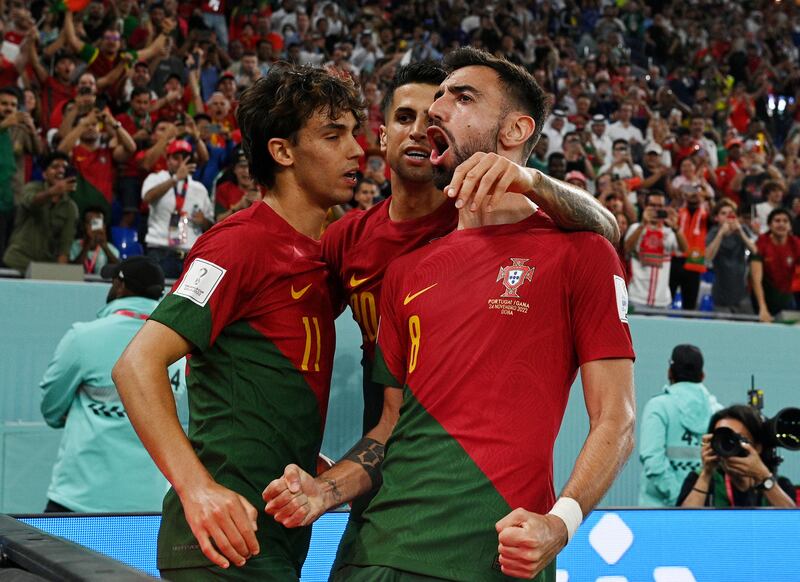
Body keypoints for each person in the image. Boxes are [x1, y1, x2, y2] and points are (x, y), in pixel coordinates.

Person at [265, 48, 635, 582]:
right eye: (439, 96)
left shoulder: (581, 254)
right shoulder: (408, 271)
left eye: (462, 98)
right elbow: (391, 426)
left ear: (515, 130)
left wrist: (560, 524)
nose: (437, 109)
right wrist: (327, 490)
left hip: (492, 556)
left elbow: (616, 419)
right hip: (375, 554)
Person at [113, 65, 365, 580]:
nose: (357, 150)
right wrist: (197, 490)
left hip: (273, 539)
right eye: (334, 135)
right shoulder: (238, 243)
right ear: (283, 151)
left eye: (355, 133)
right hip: (219, 543)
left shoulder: (318, 258)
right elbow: (136, 365)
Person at [40, 257, 185, 512]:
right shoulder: (180, 349)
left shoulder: (83, 337)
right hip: (150, 506)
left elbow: (51, 410)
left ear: (120, 286)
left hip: (79, 502)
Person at [639, 345, 722, 507]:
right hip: (704, 510)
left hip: (659, 513)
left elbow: (653, 461)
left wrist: (681, 502)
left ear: (669, 372)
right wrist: (694, 501)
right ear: (703, 375)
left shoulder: (658, 406)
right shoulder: (718, 412)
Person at [678, 405, 796, 508]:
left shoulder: (780, 484)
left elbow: (793, 525)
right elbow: (682, 527)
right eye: (723, 439)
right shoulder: (701, 480)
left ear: (757, 447)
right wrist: (706, 474)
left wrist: (763, 477)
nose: (729, 446)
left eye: (738, 439)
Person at [142, 139, 214, 279]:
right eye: (176, 158)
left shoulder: (200, 189)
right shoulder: (156, 178)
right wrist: (175, 179)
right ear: (167, 160)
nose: (181, 162)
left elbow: (211, 225)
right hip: (160, 251)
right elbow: (147, 198)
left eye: (185, 158)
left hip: (190, 255)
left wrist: (203, 221)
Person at [2, 152, 78, 273]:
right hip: (17, 263)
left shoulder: (70, 207)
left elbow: (65, 246)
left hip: (45, 268)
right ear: (44, 174)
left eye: (64, 167)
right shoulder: (31, 188)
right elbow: (31, 202)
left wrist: (59, 276)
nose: (61, 170)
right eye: (55, 167)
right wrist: (52, 191)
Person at [624, 191, 688, 309]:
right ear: (645, 206)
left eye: (660, 206)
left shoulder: (669, 232)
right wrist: (643, 224)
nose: (656, 209)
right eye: (653, 205)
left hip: (662, 300)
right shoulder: (635, 228)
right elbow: (627, 249)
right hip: (636, 296)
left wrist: (675, 227)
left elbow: (684, 249)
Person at [705, 198, 758, 313]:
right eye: (723, 213)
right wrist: (720, 234)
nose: (727, 217)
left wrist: (740, 233)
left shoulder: (742, 229)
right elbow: (708, 257)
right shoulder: (714, 232)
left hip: (742, 294)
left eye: (731, 213)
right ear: (716, 218)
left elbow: (755, 252)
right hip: (721, 295)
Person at [751, 208, 800, 322]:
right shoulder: (761, 243)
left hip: (786, 297)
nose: (781, 224)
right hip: (763, 298)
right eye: (777, 221)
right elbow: (755, 280)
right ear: (769, 225)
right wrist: (762, 308)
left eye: (785, 221)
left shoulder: (796, 244)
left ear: (790, 226)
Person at [70, 206, 120, 275]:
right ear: (83, 226)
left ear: (104, 226)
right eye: (91, 223)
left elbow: (118, 271)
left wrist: (104, 246)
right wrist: (87, 246)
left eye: (97, 223)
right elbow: (71, 271)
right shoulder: (74, 246)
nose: (94, 227)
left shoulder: (111, 249)